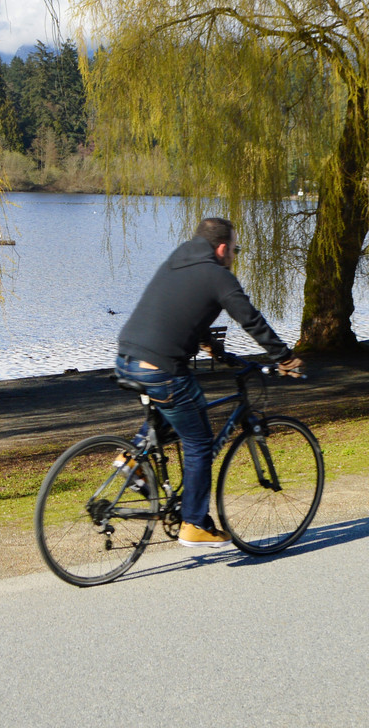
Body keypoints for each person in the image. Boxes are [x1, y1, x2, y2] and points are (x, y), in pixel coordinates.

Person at [115, 217, 303, 547]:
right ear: (221, 248)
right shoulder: (218, 276)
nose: (234, 255)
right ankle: (193, 524)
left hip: (127, 358)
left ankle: (131, 458)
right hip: (162, 367)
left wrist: (213, 347)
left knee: (173, 410)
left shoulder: (177, 260)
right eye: (234, 249)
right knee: (199, 441)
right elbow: (250, 319)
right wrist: (283, 357)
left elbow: (183, 308)